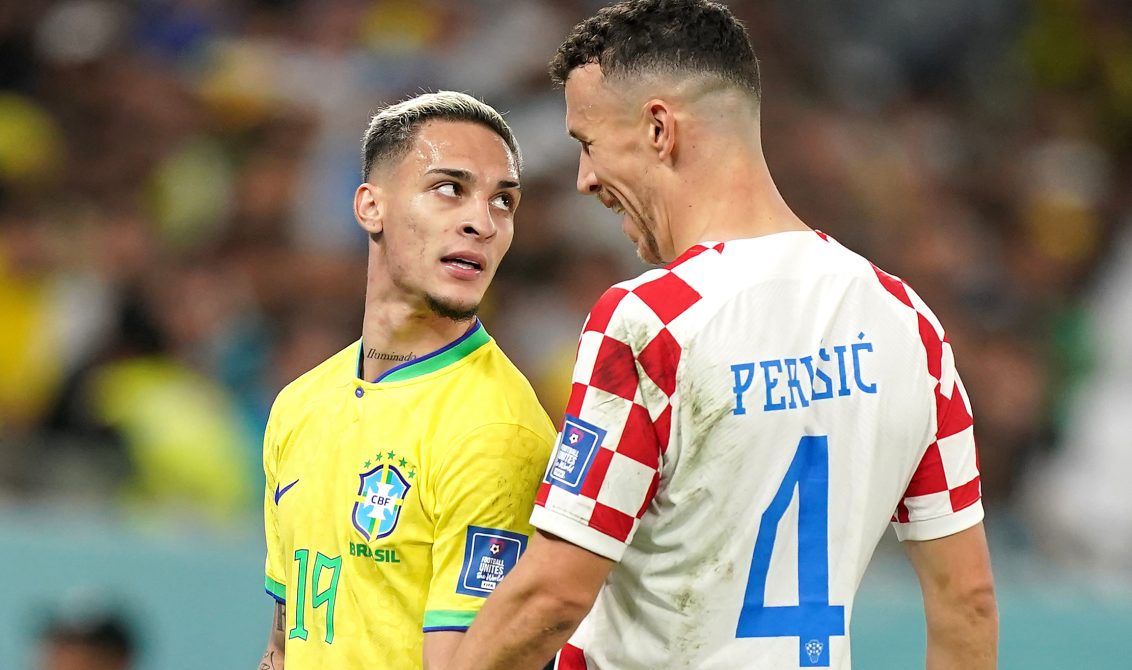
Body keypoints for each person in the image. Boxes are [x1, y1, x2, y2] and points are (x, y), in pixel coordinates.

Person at [446, 2, 998, 669]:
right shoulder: (905, 320)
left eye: (587, 144)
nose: (584, 179)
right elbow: (967, 601)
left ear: (658, 129)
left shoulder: (653, 322)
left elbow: (552, 599)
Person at [257, 91, 556, 669]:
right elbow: (282, 646)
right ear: (371, 207)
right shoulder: (300, 405)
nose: (482, 222)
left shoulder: (495, 433)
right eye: (451, 189)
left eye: (504, 202)